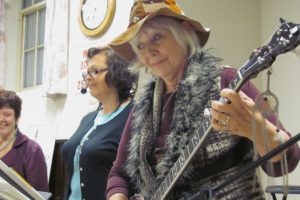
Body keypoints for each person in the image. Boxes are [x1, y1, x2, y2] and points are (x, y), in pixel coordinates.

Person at [106, 1, 300, 200]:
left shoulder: (227, 82)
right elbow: (119, 174)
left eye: (157, 37)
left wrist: (258, 130)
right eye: (140, 45)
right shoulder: (142, 108)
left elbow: (288, 159)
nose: (149, 52)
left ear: (185, 31)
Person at [61, 46, 136, 200]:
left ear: (117, 72)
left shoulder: (134, 116)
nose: (88, 78)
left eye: (95, 71)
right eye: (87, 73)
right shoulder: (88, 119)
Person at [0, 90, 48, 191]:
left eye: (7, 114)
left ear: (17, 118)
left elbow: (39, 195)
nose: (1, 119)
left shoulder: (32, 151)